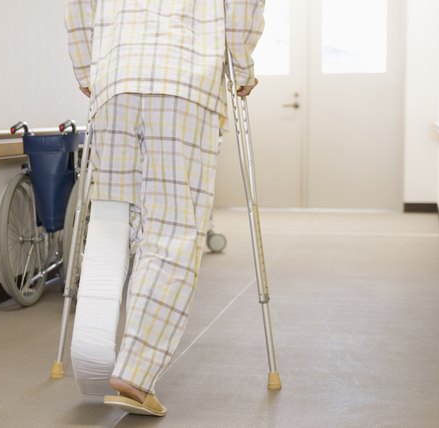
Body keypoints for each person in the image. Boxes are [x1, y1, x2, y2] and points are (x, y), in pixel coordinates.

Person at [65, 0, 265, 417]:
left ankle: (91, 350)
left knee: (113, 219)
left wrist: (88, 71)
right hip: (186, 85)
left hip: (115, 81)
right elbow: (243, 8)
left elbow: (80, 7)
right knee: (172, 229)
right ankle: (134, 375)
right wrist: (242, 69)